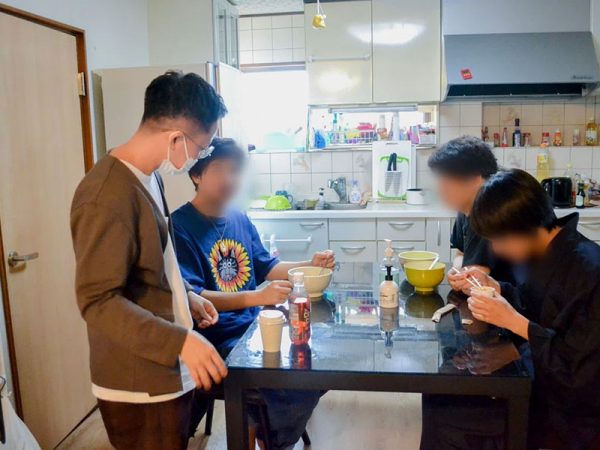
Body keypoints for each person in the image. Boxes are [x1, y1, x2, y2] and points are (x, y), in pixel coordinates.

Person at [70, 71, 229, 450]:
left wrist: (186, 296)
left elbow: (155, 261)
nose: (199, 157)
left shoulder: (148, 178)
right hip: (138, 382)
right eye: (202, 149)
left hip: (165, 368)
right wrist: (181, 341)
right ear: (176, 139)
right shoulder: (105, 197)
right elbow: (98, 301)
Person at [171, 138, 334, 450]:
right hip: (215, 337)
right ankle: (266, 432)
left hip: (253, 327)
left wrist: (309, 264)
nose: (229, 179)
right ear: (196, 175)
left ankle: (266, 428)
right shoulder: (180, 226)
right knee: (287, 378)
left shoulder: (238, 217)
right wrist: (257, 298)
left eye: (235, 171)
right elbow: (193, 298)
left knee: (315, 359)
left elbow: (267, 266)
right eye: (220, 170)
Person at [434, 169, 600, 450]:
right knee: (441, 398)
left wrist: (515, 323)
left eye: (499, 240)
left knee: (450, 416)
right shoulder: (544, 252)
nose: (496, 250)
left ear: (526, 227)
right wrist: (496, 288)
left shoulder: (589, 271)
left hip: (570, 413)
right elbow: (531, 302)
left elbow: (580, 376)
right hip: (538, 379)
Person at [428, 136, 515, 289]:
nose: (440, 188)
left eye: (447, 179)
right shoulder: (465, 206)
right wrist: (457, 270)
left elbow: (477, 276)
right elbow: (461, 253)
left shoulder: (491, 209)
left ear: (475, 179)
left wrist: (463, 278)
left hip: (510, 297)